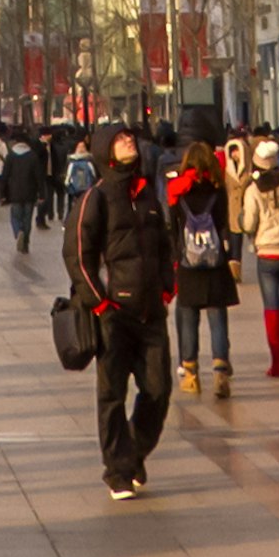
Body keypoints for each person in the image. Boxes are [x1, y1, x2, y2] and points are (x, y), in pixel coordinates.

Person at [67, 126, 174, 501]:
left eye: (131, 138)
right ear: (104, 151)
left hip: (151, 312)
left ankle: (132, 452)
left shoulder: (147, 196)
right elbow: (77, 255)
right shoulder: (95, 198)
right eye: (120, 139)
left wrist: (166, 287)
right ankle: (118, 470)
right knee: (111, 395)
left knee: (158, 391)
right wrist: (100, 302)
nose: (129, 142)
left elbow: (164, 245)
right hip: (113, 313)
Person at [164, 141, 238, 398]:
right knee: (217, 318)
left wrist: (175, 256)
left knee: (188, 318)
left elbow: (172, 228)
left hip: (188, 263)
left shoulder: (177, 191)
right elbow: (223, 224)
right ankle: (219, 368)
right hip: (215, 260)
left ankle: (191, 374)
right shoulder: (218, 190)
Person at [234, 134, 279, 378]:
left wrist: (244, 222)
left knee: (272, 309)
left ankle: (277, 363)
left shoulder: (254, 191)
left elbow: (250, 223)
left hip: (267, 253)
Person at [0, 129, 49, 255]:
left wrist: (2, 193)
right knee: (27, 218)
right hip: (30, 193)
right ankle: (25, 241)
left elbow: (4, 176)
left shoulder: (11, 156)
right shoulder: (33, 156)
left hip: (14, 192)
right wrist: (42, 194)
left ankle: (18, 232)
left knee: (15, 216)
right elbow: (39, 177)